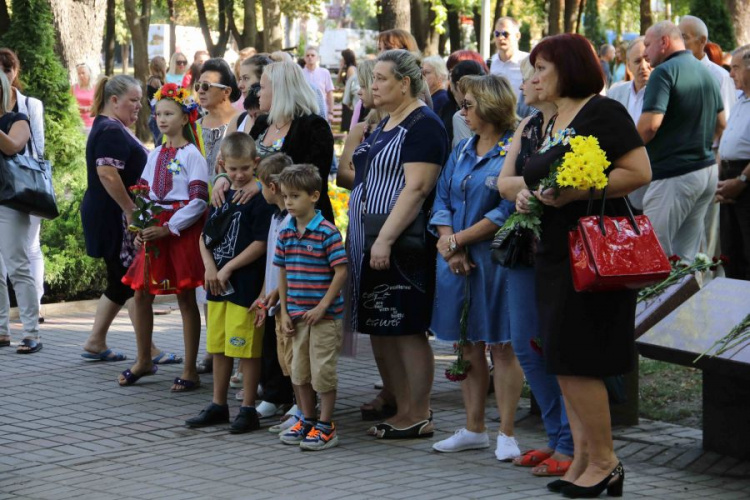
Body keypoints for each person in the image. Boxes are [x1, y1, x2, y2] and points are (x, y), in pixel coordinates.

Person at [516, 33, 651, 496]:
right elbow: (541, 178)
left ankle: (607, 462)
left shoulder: (603, 112)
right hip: (555, 252)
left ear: (569, 68)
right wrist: (527, 195)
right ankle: (584, 459)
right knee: (562, 361)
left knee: (580, 360)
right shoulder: (554, 119)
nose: (533, 78)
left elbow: (638, 172)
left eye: (542, 69)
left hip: (593, 255)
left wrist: (577, 192)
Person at [353, 50, 448, 439]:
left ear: (404, 83)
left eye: (380, 78)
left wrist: (386, 239)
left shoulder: (423, 125)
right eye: (372, 78)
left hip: (401, 243)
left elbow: (417, 188)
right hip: (371, 240)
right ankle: (399, 404)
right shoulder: (385, 122)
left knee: (406, 327)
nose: (372, 85)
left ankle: (418, 412)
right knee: (381, 325)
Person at [429, 74, 524, 462]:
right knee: (467, 346)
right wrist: (450, 246)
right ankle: (473, 428)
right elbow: (442, 199)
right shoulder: (463, 148)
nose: (462, 111)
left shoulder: (512, 151)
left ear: (490, 106)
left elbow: (505, 211)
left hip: (495, 261)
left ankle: (507, 432)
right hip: (457, 264)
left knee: (502, 346)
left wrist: (458, 241)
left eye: (468, 105)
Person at [497, 57, 574, 477]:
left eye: (534, 74)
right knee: (526, 344)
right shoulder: (527, 127)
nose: (525, 82)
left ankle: (570, 442)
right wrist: (524, 193)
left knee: (559, 345)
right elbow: (504, 180)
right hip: (525, 245)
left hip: (563, 246)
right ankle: (556, 435)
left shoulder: (577, 122)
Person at [119, 83, 208, 391]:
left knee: (185, 297)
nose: (162, 119)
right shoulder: (156, 153)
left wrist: (169, 227)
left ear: (186, 117)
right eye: (158, 113)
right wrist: (139, 229)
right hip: (155, 229)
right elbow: (143, 193)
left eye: (169, 113)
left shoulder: (193, 155)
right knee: (141, 293)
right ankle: (144, 358)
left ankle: (189, 369)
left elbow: (198, 200)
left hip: (179, 230)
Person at [186, 133, 274, 431]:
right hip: (217, 288)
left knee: (246, 349)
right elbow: (205, 237)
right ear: (222, 164)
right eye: (232, 169)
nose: (238, 175)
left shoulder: (259, 199)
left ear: (256, 165)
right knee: (219, 347)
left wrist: (228, 269)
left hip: (245, 288)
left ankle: (247, 408)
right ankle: (218, 404)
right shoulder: (221, 195)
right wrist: (211, 268)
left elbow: (261, 243)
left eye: (245, 169)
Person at [80, 75, 169, 363]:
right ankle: (148, 351)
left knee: (121, 281)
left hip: (108, 215)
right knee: (132, 282)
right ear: (114, 100)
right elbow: (107, 172)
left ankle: (96, 341)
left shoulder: (110, 127)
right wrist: (131, 210)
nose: (139, 107)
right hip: (114, 219)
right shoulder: (110, 131)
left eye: (140, 101)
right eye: (133, 101)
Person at [275, 164, 348, 451]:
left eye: (295, 196)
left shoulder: (327, 232)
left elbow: (341, 271)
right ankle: (307, 418)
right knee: (298, 371)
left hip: (324, 317)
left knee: (322, 372)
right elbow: (281, 271)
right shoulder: (285, 232)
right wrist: (282, 311)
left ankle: (326, 425)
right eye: (285, 197)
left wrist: (323, 306)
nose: (289, 203)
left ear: (314, 195)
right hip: (295, 315)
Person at [638, 21, 725, 260]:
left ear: (664, 42)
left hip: (673, 175)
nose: (644, 53)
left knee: (652, 257)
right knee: (684, 260)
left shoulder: (664, 72)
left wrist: (623, 152)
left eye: (647, 45)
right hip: (705, 173)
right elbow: (721, 124)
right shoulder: (706, 72)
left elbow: (649, 126)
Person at [215, 61, 334, 222]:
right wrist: (224, 177)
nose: (257, 94)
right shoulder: (262, 123)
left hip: (298, 225)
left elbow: (313, 180)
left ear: (280, 90)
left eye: (262, 88)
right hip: (257, 220)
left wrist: (259, 185)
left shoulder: (314, 127)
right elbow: (241, 158)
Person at [679, 15, 737, 267]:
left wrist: (716, 167)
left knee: (707, 236)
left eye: (684, 37)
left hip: (708, 165)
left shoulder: (718, 76)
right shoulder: (673, 71)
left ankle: (706, 284)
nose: (679, 43)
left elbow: (725, 126)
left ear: (702, 42)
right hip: (678, 168)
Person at [252, 153, 300, 432]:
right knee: (273, 349)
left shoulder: (291, 222)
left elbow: (290, 266)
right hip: (272, 297)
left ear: (271, 187)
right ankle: (274, 394)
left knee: (293, 354)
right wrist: (264, 293)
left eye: (260, 185)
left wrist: (279, 295)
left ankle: (300, 402)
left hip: (288, 299)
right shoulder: (275, 217)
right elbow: (272, 259)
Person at [0, 47, 46, 328]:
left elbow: (21, 146)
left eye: (8, 68)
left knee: (21, 261)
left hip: (16, 194)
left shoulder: (19, 116)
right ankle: (2, 329)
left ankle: (31, 330)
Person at [716, 45, 750, 279]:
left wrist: (741, 180)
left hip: (745, 180)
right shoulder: (740, 101)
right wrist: (721, 181)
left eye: (735, 68)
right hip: (730, 181)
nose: (730, 73)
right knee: (731, 250)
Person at [606, 37, 652, 209]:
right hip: (620, 185)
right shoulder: (616, 93)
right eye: (637, 61)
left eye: (648, 60)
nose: (644, 66)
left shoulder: (663, 94)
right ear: (628, 65)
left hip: (651, 182)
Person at [196, 58, 242, 175]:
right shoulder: (194, 127)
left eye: (206, 86)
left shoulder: (243, 122)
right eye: (198, 86)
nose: (200, 91)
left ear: (226, 91)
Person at [489, 17, 532, 117]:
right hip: (496, 118)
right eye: (497, 34)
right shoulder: (490, 63)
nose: (500, 38)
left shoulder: (528, 62)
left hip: (522, 117)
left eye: (505, 34)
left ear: (517, 36)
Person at [448, 60, 487, 147]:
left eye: (468, 105)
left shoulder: (460, 117)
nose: (463, 112)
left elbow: (463, 156)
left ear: (459, 86)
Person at [302, 47, 334, 123]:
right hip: (306, 111)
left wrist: (331, 112)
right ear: (304, 58)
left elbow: (330, 94)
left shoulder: (325, 72)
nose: (310, 57)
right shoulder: (300, 73)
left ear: (317, 58)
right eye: (307, 55)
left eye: (312, 55)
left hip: (323, 111)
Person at [147, 56, 167, 145]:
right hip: (155, 116)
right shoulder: (156, 81)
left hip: (154, 115)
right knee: (160, 144)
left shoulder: (152, 79)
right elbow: (163, 95)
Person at [339, 49, 358, 132]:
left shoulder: (351, 69)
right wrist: (341, 68)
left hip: (349, 101)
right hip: (347, 99)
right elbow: (338, 81)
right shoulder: (347, 68)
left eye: (342, 58)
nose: (340, 59)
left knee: (350, 126)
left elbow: (352, 86)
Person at [72, 62, 96, 130]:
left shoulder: (96, 88)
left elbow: (99, 105)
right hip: (76, 123)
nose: (81, 75)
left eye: (83, 73)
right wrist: (77, 108)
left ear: (89, 73)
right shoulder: (73, 87)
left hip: (91, 124)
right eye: (79, 74)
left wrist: (88, 108)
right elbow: (69, 104)